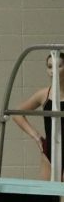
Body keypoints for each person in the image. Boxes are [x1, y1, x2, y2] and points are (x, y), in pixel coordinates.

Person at [11, 52, 64, 181]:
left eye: (59, 66)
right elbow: (17, 113)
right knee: (48, 198)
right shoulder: (43, 94)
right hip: (49, 152)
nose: (54, 71)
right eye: (50, 67)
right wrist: (36, 136)